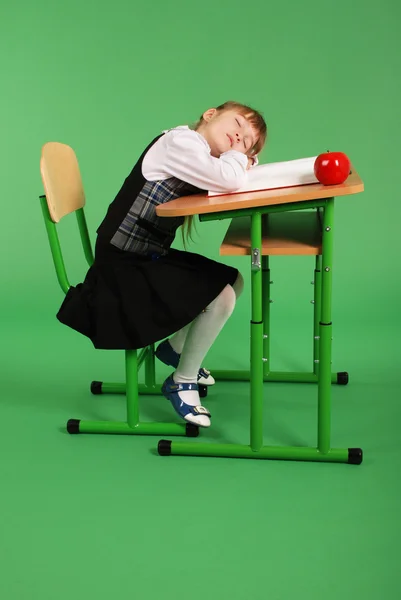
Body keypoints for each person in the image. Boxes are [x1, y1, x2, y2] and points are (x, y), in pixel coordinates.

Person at [57, 100, 267, 428]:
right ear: (210, 114)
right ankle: (180, 381)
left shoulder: (199, 154)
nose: (239, 138)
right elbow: (229, 180)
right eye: (237, 125)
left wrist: (241, 159)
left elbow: (231, 177)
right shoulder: (180, 143)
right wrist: (241, 157)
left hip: (145, 255)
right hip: (122, 264)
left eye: (247, 141)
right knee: (222, 296)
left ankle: (175, 350)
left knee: (233, 281)